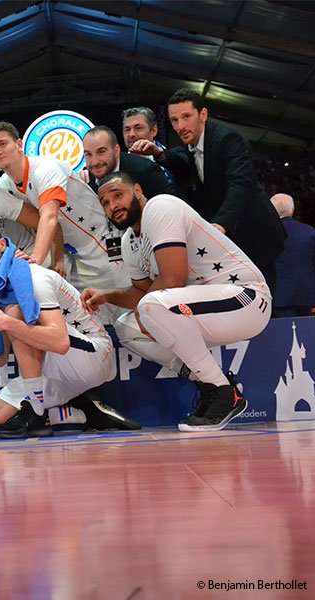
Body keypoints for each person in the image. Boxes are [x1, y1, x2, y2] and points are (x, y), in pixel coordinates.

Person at [82, 172, 272, 432]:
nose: (113, 205)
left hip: (246, 297)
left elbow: (173, 279)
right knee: (127, 327)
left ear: (137, 191)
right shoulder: (129, 242)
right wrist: (108, 296)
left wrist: (147, 313)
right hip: (209, 307)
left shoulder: (160, 207)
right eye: (105, 203)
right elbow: (143, 292)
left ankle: (223, 394)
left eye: (118, 195)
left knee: (151, 308)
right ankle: (213, 383)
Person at [0, 219, 138, 438]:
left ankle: (38, 414)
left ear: (2, 245)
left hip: (93, 354)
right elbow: (0, 357)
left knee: (13, 315)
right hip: (54, 370)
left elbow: (60, 341)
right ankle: (86, 411)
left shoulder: (31, 276)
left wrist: (9, 323)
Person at [129, 88, 285, 289]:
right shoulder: (190, 143)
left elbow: (240, 184)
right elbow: (183, 160)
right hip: (225, 241)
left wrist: (219, 226)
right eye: (174, 120)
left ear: (203, 114)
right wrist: (159, 154)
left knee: (262, 298)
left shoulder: (228, 139)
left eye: (186, 117)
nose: (180, 126)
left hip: (253, 234)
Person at [0, 121, 129, 316]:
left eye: (2, 144)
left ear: (18, 145)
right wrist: (57, 257)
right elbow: (45, 226)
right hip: (72, 255)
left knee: (126, 308)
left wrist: (36, 260)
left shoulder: (45, 168)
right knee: (89, 315)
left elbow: (50, 217)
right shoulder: (5, 184)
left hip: (103, 244)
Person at [82, 125, 175, 199]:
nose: (95, 162)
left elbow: (175, 206)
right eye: (88, 154)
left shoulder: (146, 171)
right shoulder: (85, 180)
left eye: (101, 152)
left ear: (116, 151)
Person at [269, 193, 315, 317]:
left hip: (278, 295)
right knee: (306, 334)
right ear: (293, 210)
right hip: (306, 295)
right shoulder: (309, 232)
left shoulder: (265, 233)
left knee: (283, 335)